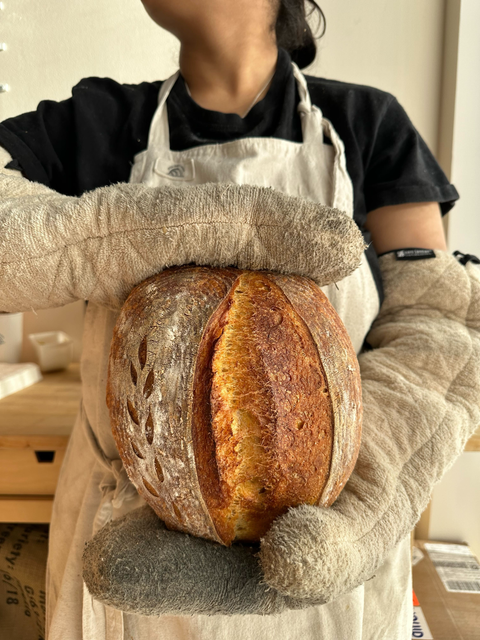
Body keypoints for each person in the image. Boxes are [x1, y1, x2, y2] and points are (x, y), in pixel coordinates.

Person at [0, 1, 465, 638]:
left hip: (320, 558)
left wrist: (370, 499)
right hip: (128, 549)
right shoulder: (99, 123)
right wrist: (100, 235)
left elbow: (435, 328)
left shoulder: (366, 123)